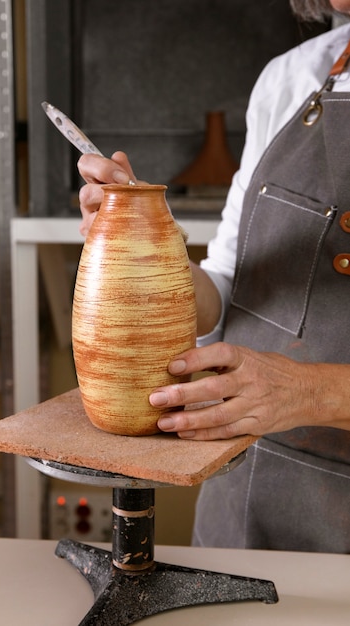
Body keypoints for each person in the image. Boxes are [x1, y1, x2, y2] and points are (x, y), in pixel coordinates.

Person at [77, 0, 350, 553]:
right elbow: (226, 289)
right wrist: (152, 248)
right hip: (242, 491)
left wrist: (312, 392)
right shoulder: (292, 77)